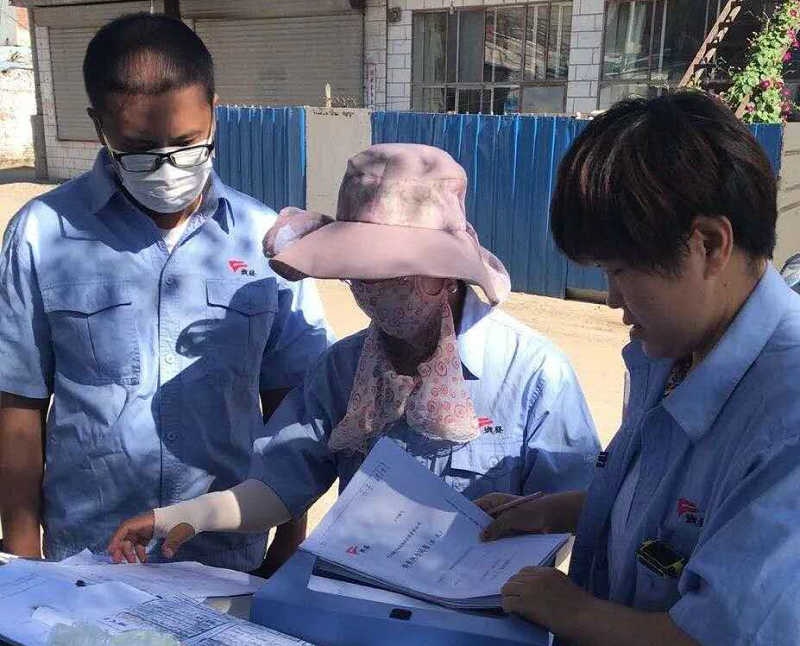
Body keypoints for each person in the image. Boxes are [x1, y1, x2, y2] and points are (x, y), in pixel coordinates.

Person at [107, 143, 601, 563]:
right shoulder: (343, 369)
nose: (374, 290)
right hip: (358, 599)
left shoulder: (532, 372)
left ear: (448, 272)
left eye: (394, 275)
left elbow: (571, 516)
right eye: (360, 275)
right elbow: (279, 486)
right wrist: (185, 516)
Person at [0, 13, 332, 574]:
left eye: (185, 143)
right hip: (86, 559)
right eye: (139, 148)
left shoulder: (263, 239)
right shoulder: (42, 235)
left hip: (227, 555)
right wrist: (23, 559)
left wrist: (287, 539)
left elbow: (291, 401)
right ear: (99, 126)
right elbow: (18, 404)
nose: (167, 166)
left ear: (214, 112)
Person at [478, 91, 800, 645]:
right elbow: (669, 514)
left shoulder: (786, 420)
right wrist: (555, 511)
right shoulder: (677, 350)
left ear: (709, 244)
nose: (611, 301)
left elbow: (720, 636)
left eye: (620, 272)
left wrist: (573, 612)